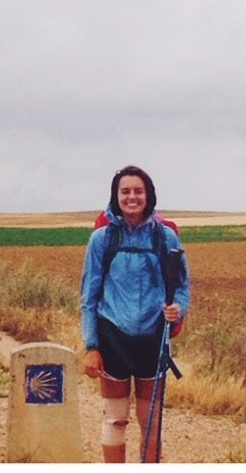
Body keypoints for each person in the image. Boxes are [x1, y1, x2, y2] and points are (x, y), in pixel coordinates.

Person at [81, 165, 189, 463]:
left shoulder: (165, 237)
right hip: (112, 337)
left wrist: (178, 310)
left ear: (148, 195)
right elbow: (89, 297)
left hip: (153, 340)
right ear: (116, 196)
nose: (132, 197)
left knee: (151, 425)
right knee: (114, 421)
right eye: (125, 191)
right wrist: (91, 346)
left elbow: (182, 285)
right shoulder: (101, 239)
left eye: (138, 191)